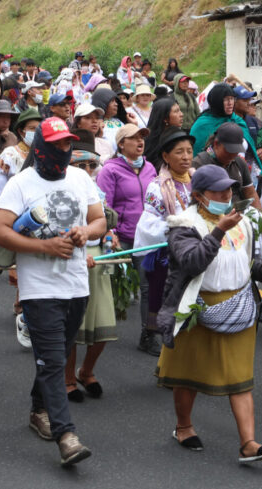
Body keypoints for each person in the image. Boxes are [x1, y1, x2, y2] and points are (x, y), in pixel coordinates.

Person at [0, 117, 106, 466]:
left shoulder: (81, 177)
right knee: (54, 359)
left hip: (75, 284)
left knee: (58, 353)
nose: (63, 150)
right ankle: (66, 434)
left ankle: (39, 408)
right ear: (40, 146)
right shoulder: (21, 183)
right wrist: (44, 248)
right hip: (39, 288)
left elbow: (100, 221)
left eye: (67, 143)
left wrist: (86, 233)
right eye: (55, 144)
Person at [155, 165, 262, 463]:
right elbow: (192, 262)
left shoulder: (244, 223)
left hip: (238, 306)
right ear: (199, 196)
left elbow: (243, 263)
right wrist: (219, 229)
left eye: (229, 190)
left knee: (240, 378)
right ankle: (184, 427)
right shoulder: (183, 224)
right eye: (218, 191)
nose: (227, 195)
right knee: (188, 374)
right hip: (197, 308)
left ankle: (248, 443)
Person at [61, 132, 116, 402]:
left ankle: (87, 370)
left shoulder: (97, 190)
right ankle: (68, 378)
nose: (87, 170)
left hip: (101, 259)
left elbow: (106, 221)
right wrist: (78, 253)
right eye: (80, 165)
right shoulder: (61, 189)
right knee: (74, 326)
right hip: (72, 258)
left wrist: (110, 235)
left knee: (104, 324)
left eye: (91, 165)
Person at [134, 128, 196, 355]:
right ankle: (150, 333)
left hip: (191, 249)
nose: (186, 157)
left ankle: (182, 336)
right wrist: (176, 227)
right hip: (163, 250)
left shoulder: (197, 180)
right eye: (179, 152)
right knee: (157, 294)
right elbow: (149, 223)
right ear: (166, 157)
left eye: (189, 151)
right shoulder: (157, 186)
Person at [98, 123, 157, 344]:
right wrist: (109, 232)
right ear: (121, 144)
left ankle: (149, 334)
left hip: (144, 238)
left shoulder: (150, 168)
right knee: (107, 283)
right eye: (134, 138)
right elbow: (103, 205)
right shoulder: (110, 169)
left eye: (142, 137)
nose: (140, 141)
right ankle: (98, 329)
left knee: (148, 287)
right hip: (118, 237)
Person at [190, 84, 262, 168]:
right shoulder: (203, 124)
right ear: (217, 101)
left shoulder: (237, 120)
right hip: (211, 170)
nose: (230, 103)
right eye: (226, 99)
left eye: (232, 99)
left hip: (239, 169)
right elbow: (196, 153)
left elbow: (250, 148)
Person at [191, 122, 260, 208]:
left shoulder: (239, 163)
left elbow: (250, 193)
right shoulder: (200, 164)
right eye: (229, 151)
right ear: (216, 144)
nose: (232, 155)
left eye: (236, 151)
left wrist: (259, 216)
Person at [143, 97, 184, 168]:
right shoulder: (152, 143)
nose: (181, 114)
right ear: (165, 118)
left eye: (180, 110)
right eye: (176, 111)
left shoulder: (179, 136)